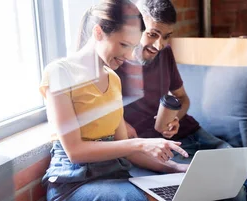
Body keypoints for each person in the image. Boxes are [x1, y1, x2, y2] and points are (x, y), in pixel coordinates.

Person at [115, 0, 247, 200]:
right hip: (169, 149)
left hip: (200, 136)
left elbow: (183, 98)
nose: (160, 45)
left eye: (166, 36)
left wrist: (175, 118)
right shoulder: (115, 66)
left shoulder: (165, 54)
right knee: (235, 193)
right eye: (152, 34)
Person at [39, 1, 188, 200]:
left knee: (177, 193)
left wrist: (175, 168)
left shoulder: (113, 80)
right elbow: (75, 151)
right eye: (124, 45)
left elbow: (124, 148)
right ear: (98, 32)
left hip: (112, 175)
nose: (128, 55)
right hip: (74, 183)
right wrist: (141, 144)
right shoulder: (60, 72)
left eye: (133, 47)